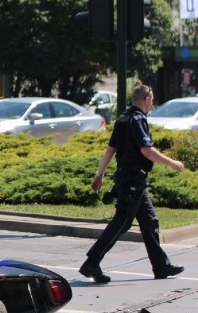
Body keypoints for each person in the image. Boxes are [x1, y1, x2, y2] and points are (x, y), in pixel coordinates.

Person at [79, 85, 185, 283]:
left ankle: (161, 266)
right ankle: (92, 262)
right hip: (132, 179)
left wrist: (99, 174)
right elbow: (146, 150)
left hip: (131, 178)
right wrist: (171, 162)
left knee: (150, 221)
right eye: (151, 99)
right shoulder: (137, 120)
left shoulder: (122, 119)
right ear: (146, 99)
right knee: (123, 221)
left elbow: (111, 150)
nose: (152, 103)